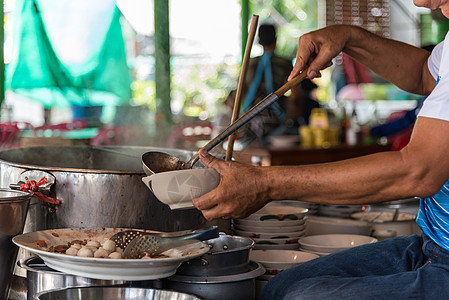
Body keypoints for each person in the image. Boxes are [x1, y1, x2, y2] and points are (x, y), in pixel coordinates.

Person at [192, 1, 449, 298]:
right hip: (433, 245)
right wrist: (350, 37)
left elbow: (418, 172)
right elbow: (423, 73)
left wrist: (265, 183)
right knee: (280, 287)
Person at [240, 23, 295, 144]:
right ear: (276, 40)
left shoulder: (248, 63)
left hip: (248, 123)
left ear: (259, 41)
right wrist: (290, 119)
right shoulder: (285, 63)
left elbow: (240, 93)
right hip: (276, 123)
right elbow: (295, 95)